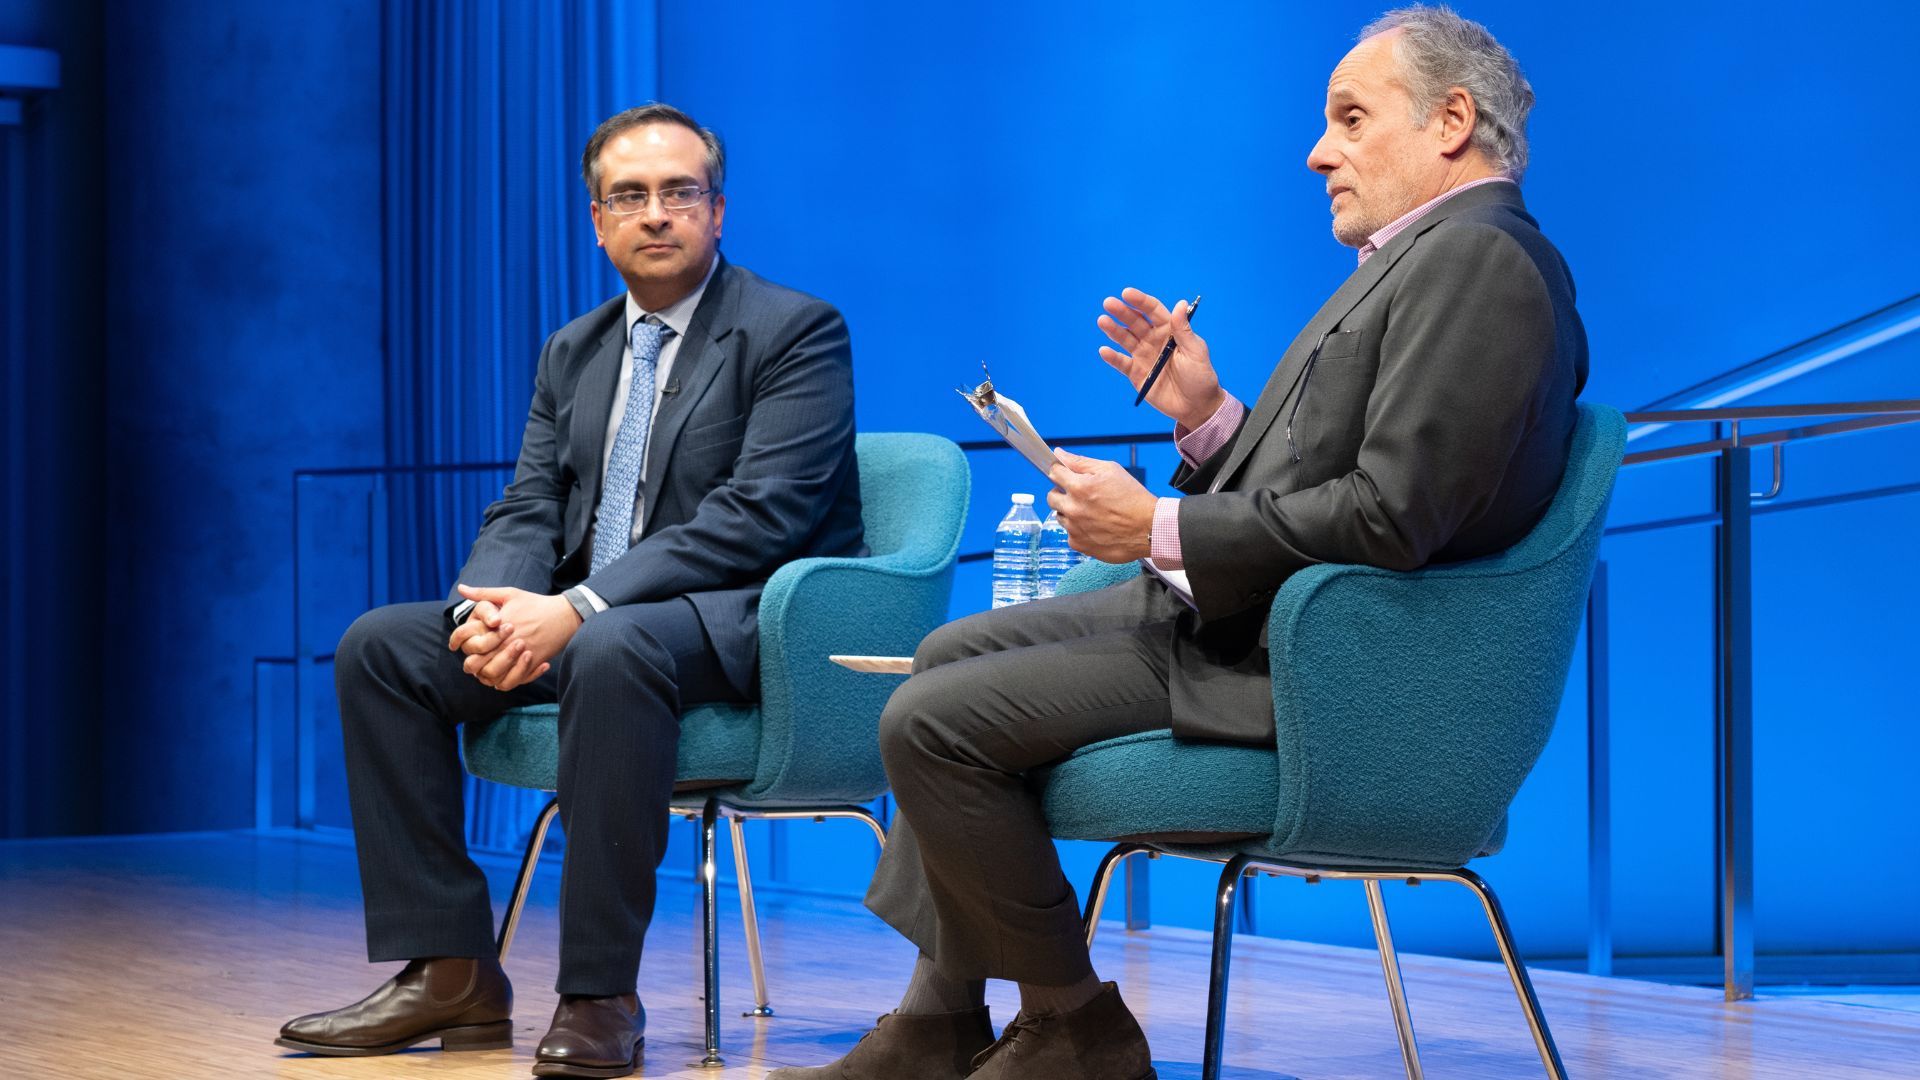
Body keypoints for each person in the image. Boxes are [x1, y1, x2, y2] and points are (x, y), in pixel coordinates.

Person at [768, 7, 1587, 1079]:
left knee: (934, 718)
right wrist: (1206, 420)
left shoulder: (1483, 265)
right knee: (945, 656)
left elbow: (1392, 520)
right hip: (1259, 627)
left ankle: (1076, 1027)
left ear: (1452, 121)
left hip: (1324, 673)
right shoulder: (1429, 258)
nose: (1317, 150)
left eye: (1349, 118)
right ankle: (942, 1013)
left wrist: (1155, 524)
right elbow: (1343, 487)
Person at [276, 103, 864, 1079]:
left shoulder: (794, 331)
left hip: (730, 622)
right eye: (629, 196)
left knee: (609, 643)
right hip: (577, 625)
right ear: (596, 221)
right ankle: (452, 969)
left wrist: (579, 608)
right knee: (383, 646)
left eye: (681, 192)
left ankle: (599, 992)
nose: (656, 214)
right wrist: (495, 607)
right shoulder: (575, 348)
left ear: (719, 211)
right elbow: (529, 503)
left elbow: (757, 520)